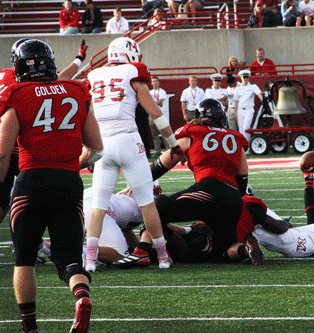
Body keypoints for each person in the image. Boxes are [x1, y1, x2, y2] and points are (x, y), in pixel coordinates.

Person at [0, 39, 103, 333]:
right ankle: (81, 296)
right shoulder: (77, 90)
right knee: (70, 257)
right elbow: (96, 149)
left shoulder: (16, 93)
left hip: (31, 182)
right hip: (69, 182)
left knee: (24, 258)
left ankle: (29, 327)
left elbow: (2, 151)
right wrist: (69, 162)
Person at [85, 37, 185, 272]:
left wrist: (90, 150)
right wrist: (173, 144)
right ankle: (162, 257)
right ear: (130, 54)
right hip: (129, 140)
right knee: (147, 204)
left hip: (103, 143)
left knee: (99, 206)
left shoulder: (93, 76)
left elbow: (86, 117)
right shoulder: (133, 72)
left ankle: (90, 260)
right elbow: (156, 114)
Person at [145, 98, 264, 265]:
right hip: (233, 200)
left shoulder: (193, 133)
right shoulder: (236, 138)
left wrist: (137, 183)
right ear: (221, 117)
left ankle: (145, 250)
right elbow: (242, 180)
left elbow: (160, 165)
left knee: (156, 208)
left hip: (209, 190)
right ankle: (243, 249)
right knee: (221, 252)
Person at [0, 38, 89, 224]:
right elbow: (59, 81)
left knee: (11, 199)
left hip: (10, 144)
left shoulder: (9, 75)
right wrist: (79, 59)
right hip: (17, 146)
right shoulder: (20, 82)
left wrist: (79, 59)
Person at [233, 69, 264, 145]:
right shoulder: (237, 88)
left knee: (246, 128)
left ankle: (247, 146)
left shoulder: (253, 86)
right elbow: (236, 101)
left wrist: (263, 102)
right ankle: (243, 147)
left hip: (249, 110)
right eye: (244, 77)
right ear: (241, 78)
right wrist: (235, 113)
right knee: (241, 130)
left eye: (247, 77)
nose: (245, 79)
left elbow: (259, 95)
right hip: (240, 111)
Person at [149, 76, 170, 156]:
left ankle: (168, 149)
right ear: (151, 83)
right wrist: (157, 103)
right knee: (154, 134)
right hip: (152, 114)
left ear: (159, 82)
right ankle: (157, 150)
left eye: (156, 81)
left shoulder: (162, 91)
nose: (155, 83)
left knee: (164, 132)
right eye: (153, 81)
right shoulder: (149, 92)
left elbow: (161, 100)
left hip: (160, 114)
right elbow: (147, 102)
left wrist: (153, 103)